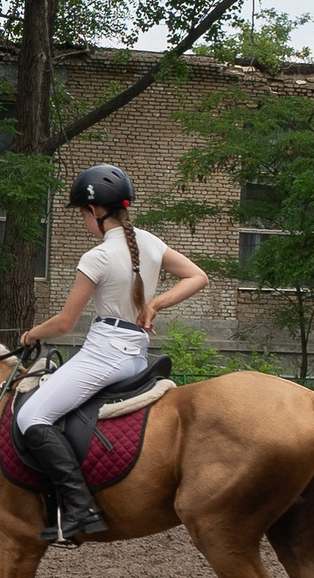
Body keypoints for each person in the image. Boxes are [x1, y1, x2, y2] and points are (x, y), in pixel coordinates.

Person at [13, 164, 209, 544]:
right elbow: (198, 276)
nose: (84, 222)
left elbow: (65, 323)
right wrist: (155, 305)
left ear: (95, 211)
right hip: (135, 355)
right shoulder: (150, 242)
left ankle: (80, 506)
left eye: (83, 215)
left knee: (31, 415)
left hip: (104, 354)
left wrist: (32, 333)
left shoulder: (97, 257)